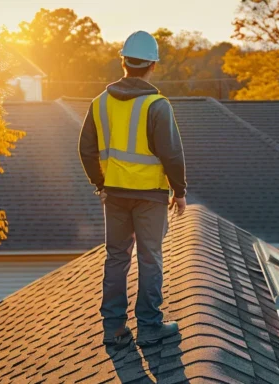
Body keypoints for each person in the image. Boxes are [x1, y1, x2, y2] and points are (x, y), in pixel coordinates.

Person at [79, 30, 187, 347]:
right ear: (153, 65)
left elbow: (85, 150)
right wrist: (179, 192)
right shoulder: (158, 105)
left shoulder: (99, 104)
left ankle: (114, 329)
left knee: (116, 259)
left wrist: (100, 183)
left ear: (123, 62)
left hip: (113, 194)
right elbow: (172, 153)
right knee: (150, 259)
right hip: (150, 196)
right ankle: (150, 327)